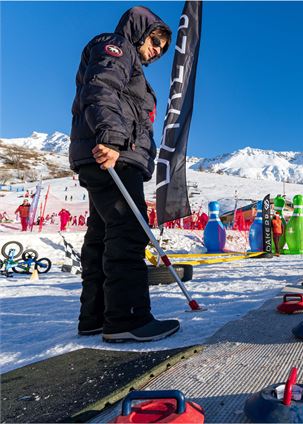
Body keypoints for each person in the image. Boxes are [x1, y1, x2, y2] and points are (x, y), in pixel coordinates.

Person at [69, 6, 179, 342]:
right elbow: (101, 89)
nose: (157, 51)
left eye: (162, 49)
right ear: (142, 30)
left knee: (102, 235)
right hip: (113, 154)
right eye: (156, 41)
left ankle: (96, 316)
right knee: (129, 230)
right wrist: (111, 139)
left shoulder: (128, 59)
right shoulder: (115, 47)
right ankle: (127, 319)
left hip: (107, 153)